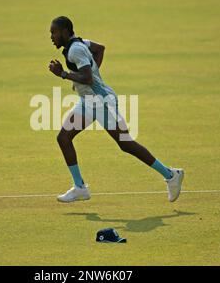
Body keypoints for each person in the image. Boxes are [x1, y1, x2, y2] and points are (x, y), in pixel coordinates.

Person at [47, 16, 184, 203]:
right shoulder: (81, 43)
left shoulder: (76, 50)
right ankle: (80, 188)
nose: (51, 37)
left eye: (53, 32)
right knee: (64, 137)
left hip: (102, 102)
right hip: (88, 101)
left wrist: (63, 74)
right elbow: (99, 49)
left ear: (64, 31)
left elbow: (87, 78)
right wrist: (88, 75)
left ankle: (171, 175)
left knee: (126, 143)